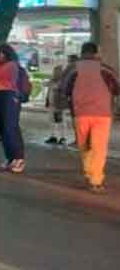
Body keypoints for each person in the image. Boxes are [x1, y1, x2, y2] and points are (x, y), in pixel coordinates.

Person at [61, 42, 119, 193]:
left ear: (82, 52)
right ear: (96, 52)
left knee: (85, 145)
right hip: (103, 113)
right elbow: (117, 87)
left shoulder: (72, 68)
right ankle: (96, 181)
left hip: (80, 113)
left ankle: (89, 173)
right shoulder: (106, 69)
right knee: (99, 147)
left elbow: (64, 89)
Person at [0, 43, 27, 173]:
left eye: (2, 53)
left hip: (8, 95)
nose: (0, 55)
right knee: (2, 128)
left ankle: (18, 158)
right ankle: (11, 158)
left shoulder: (12, 65)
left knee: (10, 127)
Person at [46, 55, 78, 145]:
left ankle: (62, 137)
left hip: (57, 105)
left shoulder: (61, 82)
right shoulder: (53, 81)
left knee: (60, 121)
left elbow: (61, 93)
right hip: (52, 104)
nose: (54, 73)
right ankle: (54, 136)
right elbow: (49, 93)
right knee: (53, 120)